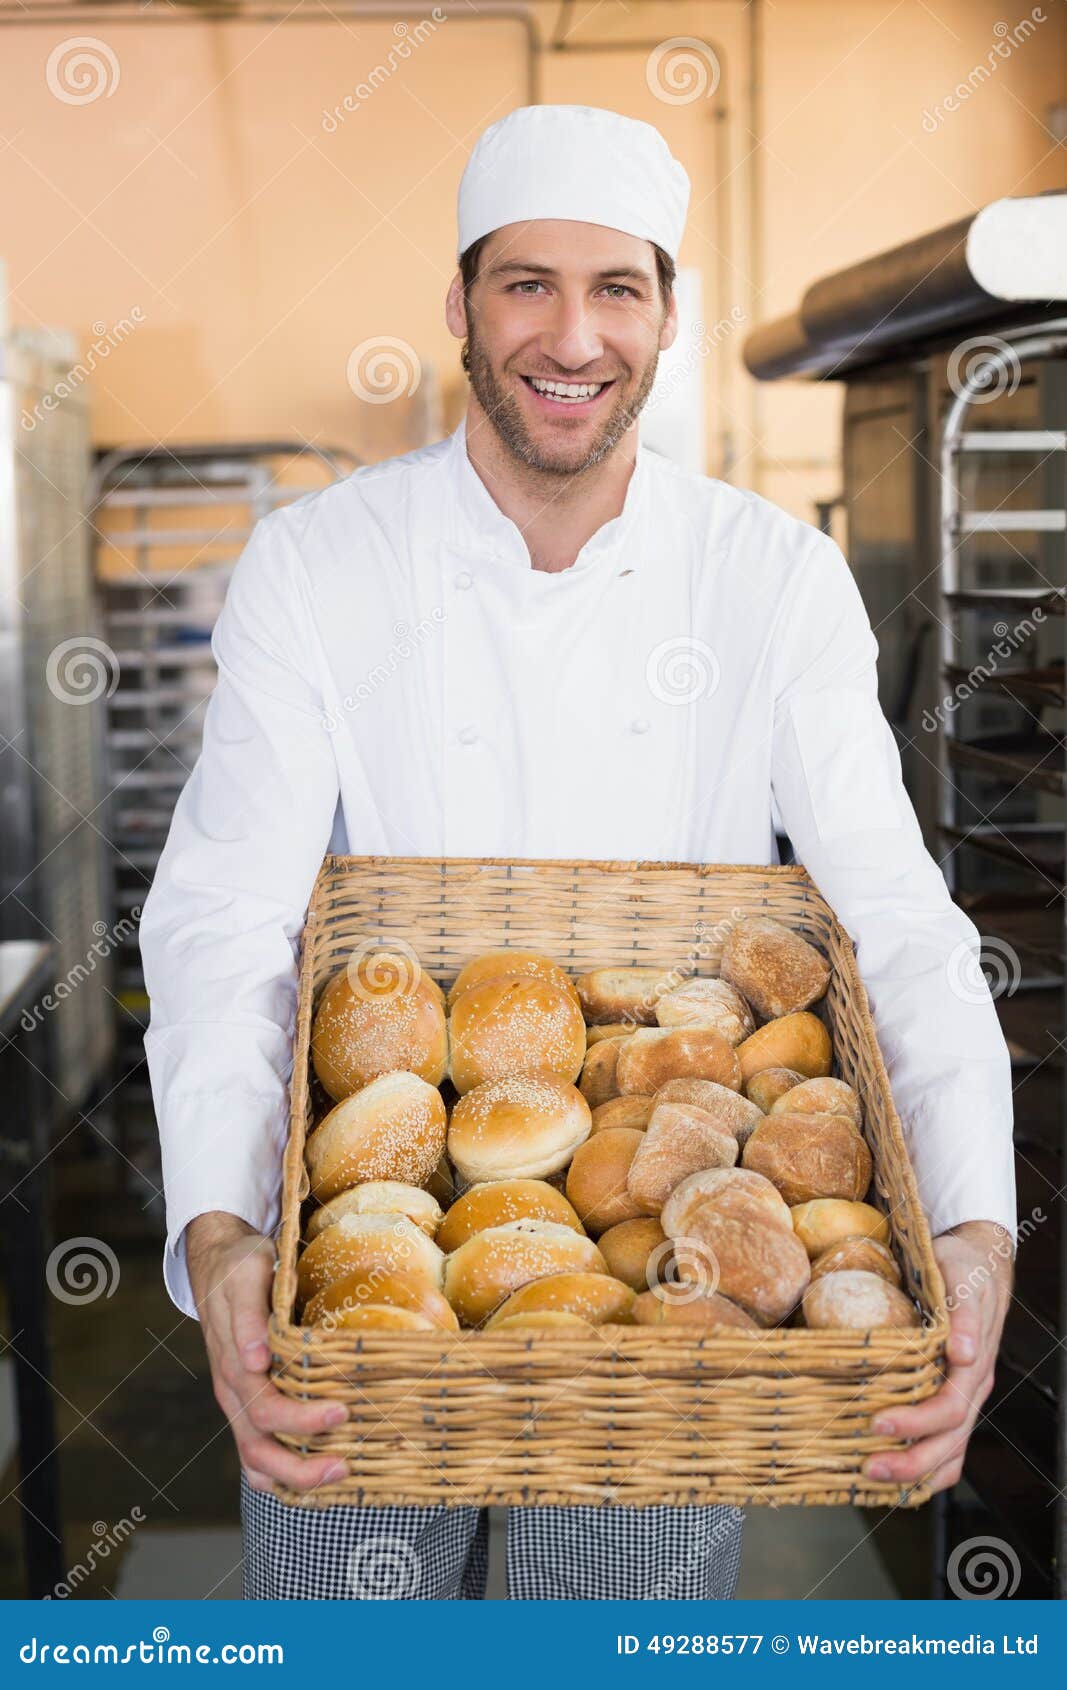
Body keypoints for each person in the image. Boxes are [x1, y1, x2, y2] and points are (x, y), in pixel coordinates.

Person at [139, 104, 1016, 1601]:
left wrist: (976, 1232)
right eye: (524, 282)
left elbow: (896, 915)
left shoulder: (770, 580)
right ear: (459, 307)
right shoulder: (319, 563)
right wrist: (224, 1238)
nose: (572, 334)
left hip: (650, 1344)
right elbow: (225, 915)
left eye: (618, 287)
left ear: (668, 314)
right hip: (364, 1306)